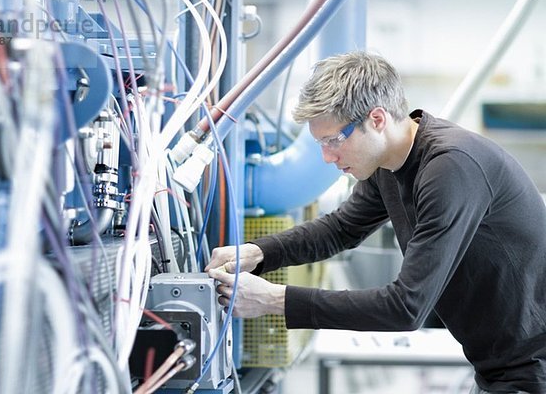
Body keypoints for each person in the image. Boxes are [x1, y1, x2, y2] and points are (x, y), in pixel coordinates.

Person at [205, 51, 546, 393]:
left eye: (334, 140)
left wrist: (275, 299)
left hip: (534, 368)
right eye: (320, 143)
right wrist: (257, 252)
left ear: (377, 119)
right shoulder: (388, 165)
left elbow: (406, 307)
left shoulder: (450, 167)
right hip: (500, 366)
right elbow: (341, 229)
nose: (327, 157)